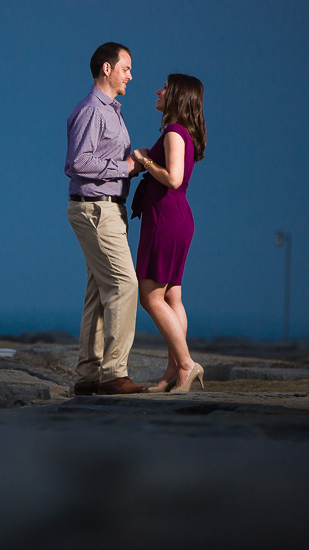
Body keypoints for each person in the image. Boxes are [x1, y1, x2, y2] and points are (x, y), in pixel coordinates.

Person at [65, 42, 148, 396]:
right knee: (124, 285)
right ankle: (114, 373)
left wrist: (132, 165)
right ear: (106, 69)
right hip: (96, 208)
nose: (130, 75)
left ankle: (87, 375)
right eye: (126, 68)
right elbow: (77, 163)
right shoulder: (92, 110)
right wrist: (127, 167)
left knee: (99, 292)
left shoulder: (112, 111)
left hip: (107, 207)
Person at [130, 73, 207, 394]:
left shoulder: (175, 133)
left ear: (176, 96)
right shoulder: (180, 133)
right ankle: (172, 374)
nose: (158, 90)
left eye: (164, 87)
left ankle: (187, 364)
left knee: (150, 296)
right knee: (172, 295)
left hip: (167, 218)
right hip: (174, 218)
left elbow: (173, 179)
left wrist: (144, 158)